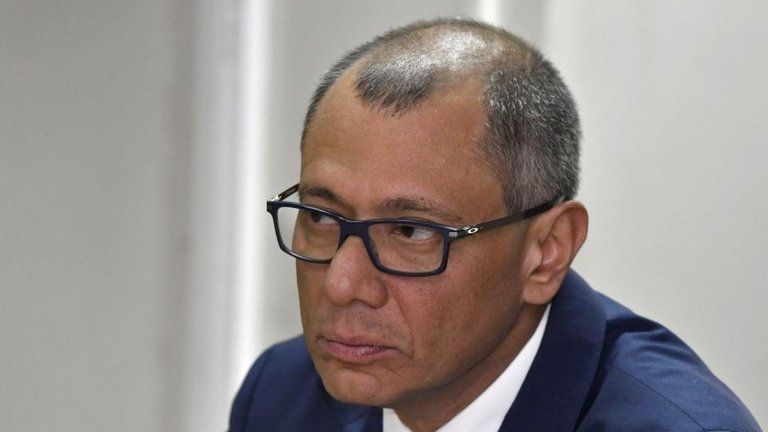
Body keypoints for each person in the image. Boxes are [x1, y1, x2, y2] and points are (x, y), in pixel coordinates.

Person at [229, 18, 760, 432]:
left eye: (412, 232)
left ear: (547, 252)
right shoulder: (282, 396)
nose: (343, 285)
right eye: (322, 217)